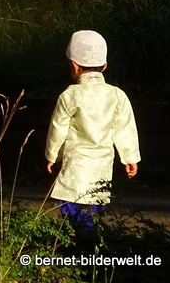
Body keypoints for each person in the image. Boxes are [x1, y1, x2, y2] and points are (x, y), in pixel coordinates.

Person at [45, 30, 140, 230]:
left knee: (71, 210)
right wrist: (130, 157)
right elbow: (124, 127)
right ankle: (89, 247)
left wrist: (53, 156)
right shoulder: (117, 95)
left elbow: (58, 128)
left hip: (74, 166)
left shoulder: (70, 95)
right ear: (104, 66)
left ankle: (73, 246)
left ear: (73, 65)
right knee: (92, 210)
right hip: (102, 166)